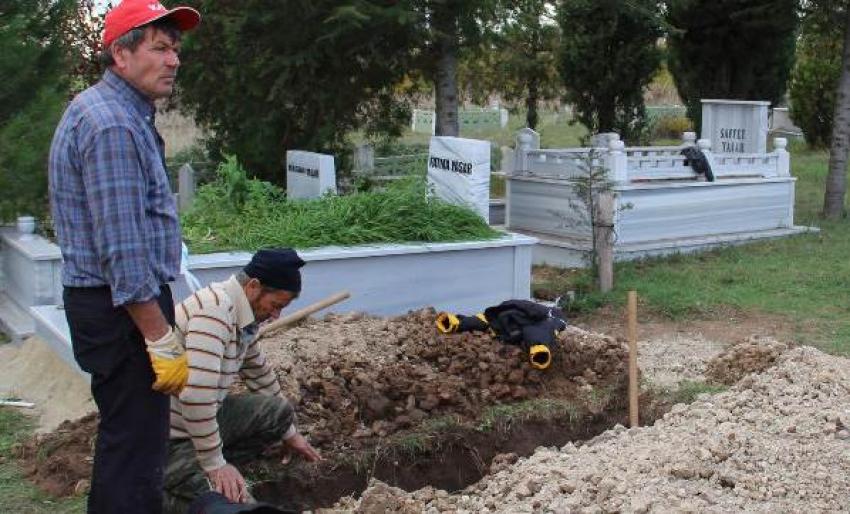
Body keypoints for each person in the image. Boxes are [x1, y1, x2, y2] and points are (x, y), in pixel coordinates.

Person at [48, 1, 200, 512]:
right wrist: (159, 337)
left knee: (131, 444)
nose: (174, 60)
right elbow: (123, 249)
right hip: (121, 310)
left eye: (175, 49)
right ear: (120, 54)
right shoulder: (111, 124)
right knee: (134, 450)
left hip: (115, 304)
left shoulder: (117, 113)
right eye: (159, 48)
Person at [164, 248, 322, 514]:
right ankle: (170, 486)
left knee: (279, 411)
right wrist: (215, 464)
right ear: (253, 286)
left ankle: (201, 471)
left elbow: (259, 373)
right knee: (235, 503)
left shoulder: (242, 314)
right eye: (276, 306)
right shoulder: (214, 313)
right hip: (168, 439)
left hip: (198, 426)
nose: (276, 316)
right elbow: (196, 396)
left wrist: (290, 433)